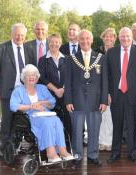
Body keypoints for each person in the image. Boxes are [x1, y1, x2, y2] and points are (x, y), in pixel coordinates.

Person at [10, 64, 73, 162]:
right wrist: (31, 106)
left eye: (34, 75)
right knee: (47, 123)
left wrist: (41, 102)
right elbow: (13, 106)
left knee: (57, 121)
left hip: (46, 113)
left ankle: (62, 150)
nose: (31, 77)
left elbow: (52, 102)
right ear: (24, 77)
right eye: (28, 75)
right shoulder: (18, 90)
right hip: (30, 116)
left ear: (37, 77)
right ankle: (51, 153)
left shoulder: (42, 88)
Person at [64, 30, 108, 167]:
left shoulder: (101, 58)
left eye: (87, 38)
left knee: (94, 129)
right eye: (82, 39)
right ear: (78, 40)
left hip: (95, 100)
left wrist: (104, 100)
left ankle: (93, 155)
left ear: (92, 40)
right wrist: (68, 100)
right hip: (77, 100)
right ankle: (77, 156)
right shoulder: (71, 58)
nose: (84, 41)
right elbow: (68, 81)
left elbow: (105, 81)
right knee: (77, 130)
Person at [106, 27, 136, 164]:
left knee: (131, 125)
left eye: (128, 36)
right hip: (116, 94)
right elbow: (107, 76)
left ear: (132, 37)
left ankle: (132, 153)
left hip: (133, 95)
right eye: (123, 36)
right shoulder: (111, 52)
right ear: (119, 37)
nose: (125, 39)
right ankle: (115, 153)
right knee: (117, 124)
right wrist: (107, 93)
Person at [0, 23, 35, 156]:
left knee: (21, 120)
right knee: (7, 120)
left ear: (25, 36)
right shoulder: (2, 48)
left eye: (22, 35)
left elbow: (33, 70)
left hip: (24, 92)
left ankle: (16, 145)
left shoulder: (28, 49)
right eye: (17, 34)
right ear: (12, 34)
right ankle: (5, 148)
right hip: (8, 90)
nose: (19, 37)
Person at [38, 33, 71, 140]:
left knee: (67, 120)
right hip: (49, 95)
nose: (54, 44)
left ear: (60, 44)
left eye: (56, 42)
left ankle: (67, 142)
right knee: (52, 119)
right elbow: (42, 78)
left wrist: (63, 89)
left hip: (66, 94)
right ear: (48, 43)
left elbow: (71, 76)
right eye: (52, 42)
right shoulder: (43, 60)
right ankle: (53, 142)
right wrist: (56, 90)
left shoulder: (67, 59)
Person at [97, 27, 117, 151]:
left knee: (109, 117)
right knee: (99, 116)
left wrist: (109, 92)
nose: (108, 38)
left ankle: (108, 142)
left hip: (113, 89)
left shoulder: (117, 52)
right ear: (103, 38)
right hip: (98, 88)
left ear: (115, 39)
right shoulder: (96, 52)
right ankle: (99, 141)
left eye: (111, 36)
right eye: (106, 36)